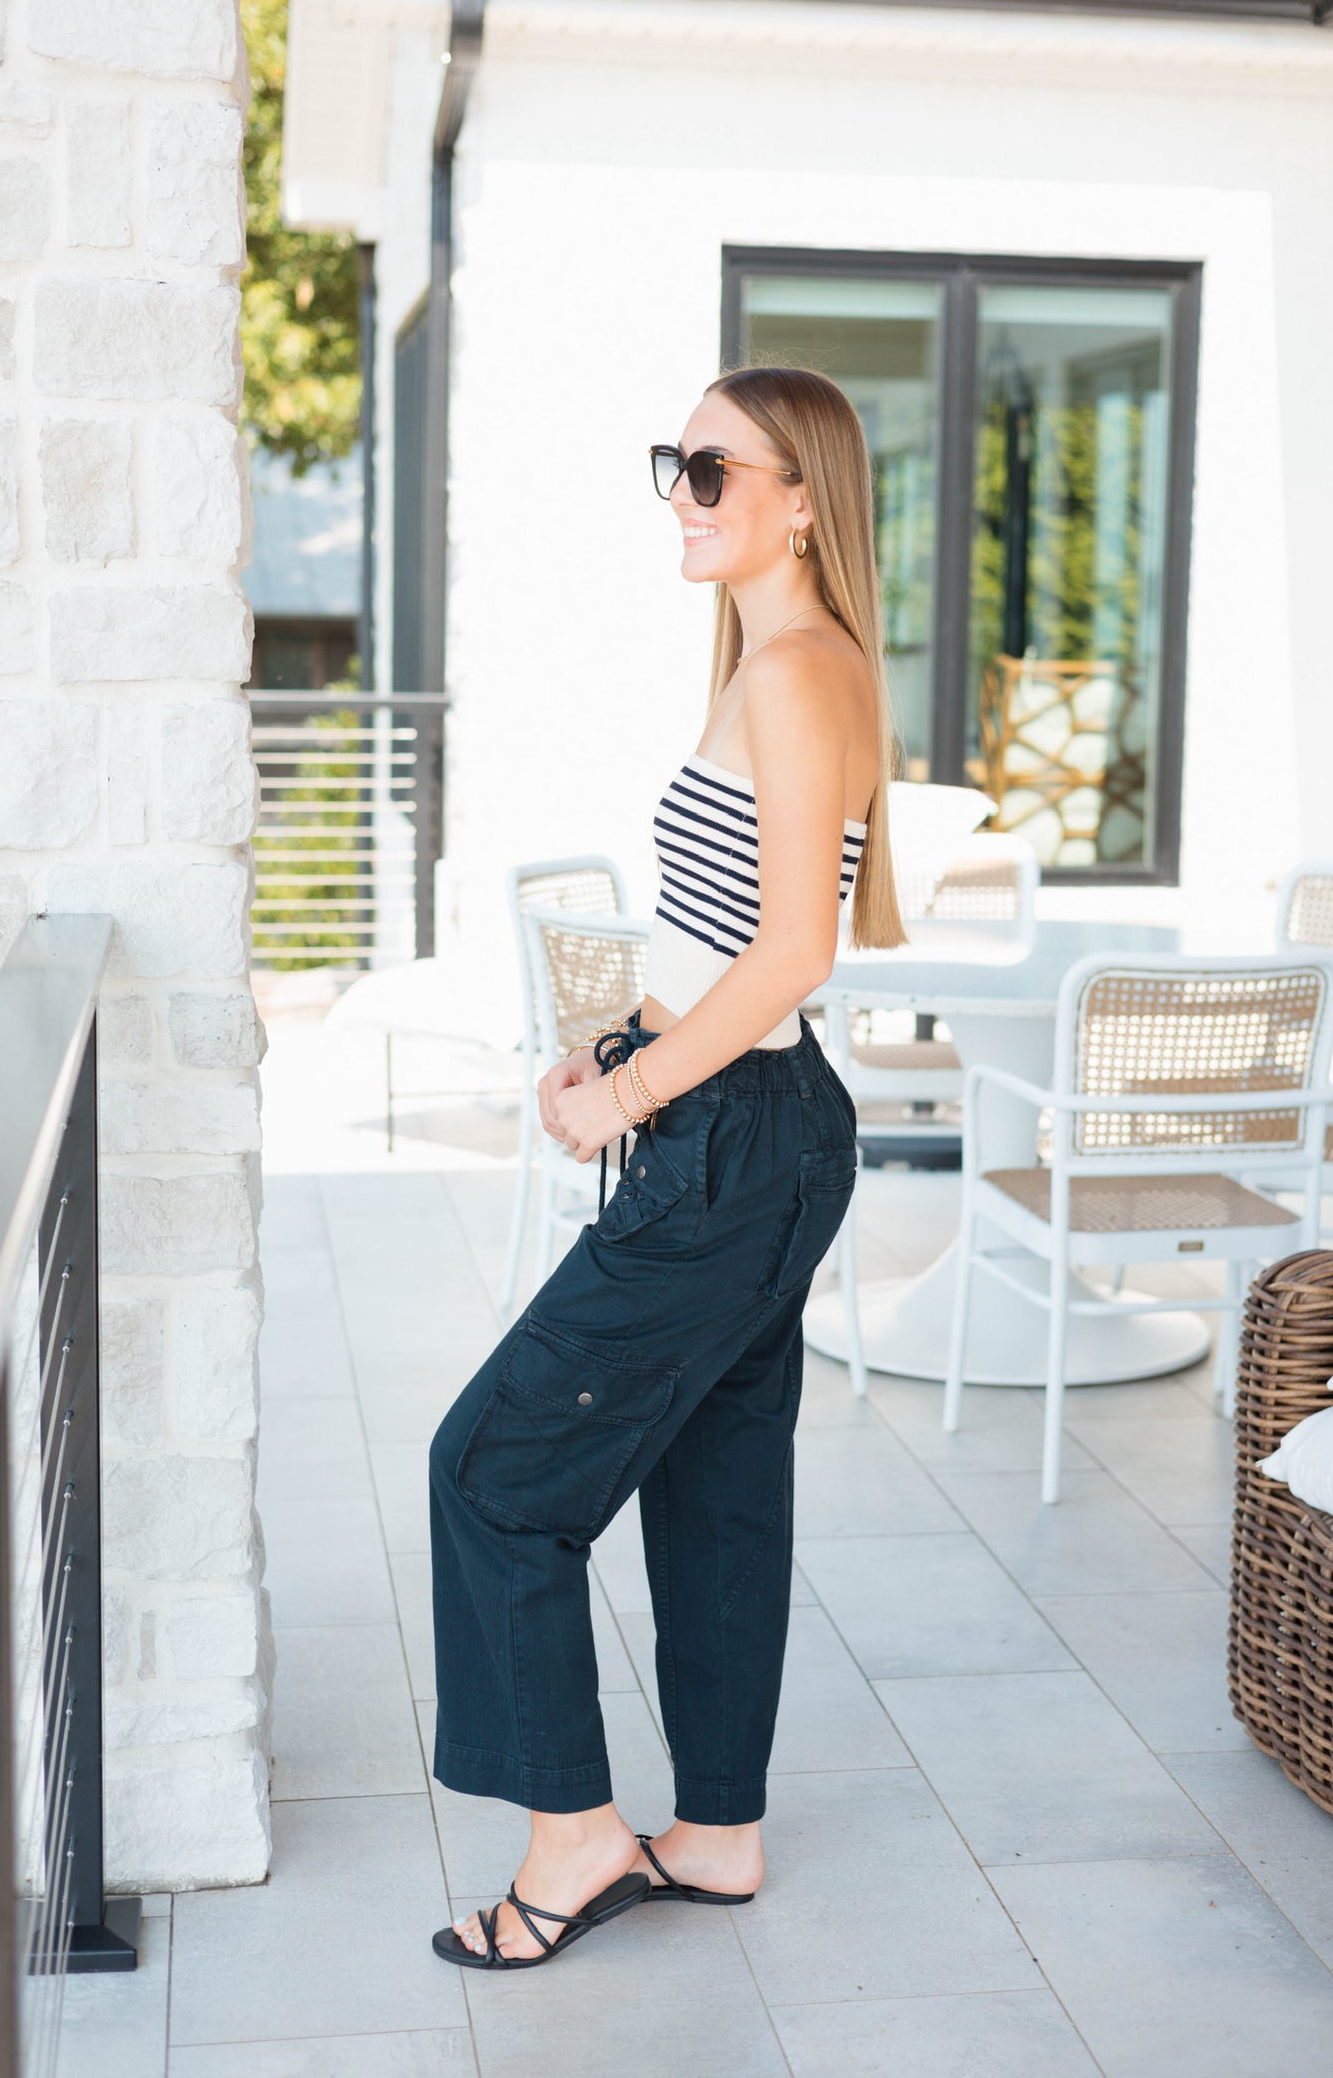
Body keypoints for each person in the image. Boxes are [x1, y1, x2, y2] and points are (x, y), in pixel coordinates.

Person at [428, 364, 906, 1970]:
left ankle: (574, 1845)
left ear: (798, 496)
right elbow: (710, 948)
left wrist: (625, 1097)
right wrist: (615, 1048)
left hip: (739, 1141)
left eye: (713, 471)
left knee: (492, 1475)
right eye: (677, 467)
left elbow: (790, 960)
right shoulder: (776, 664)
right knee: (711, 1496)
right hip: (746, 1133)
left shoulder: (795, 673)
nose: (685, 497)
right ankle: (715, 1832)